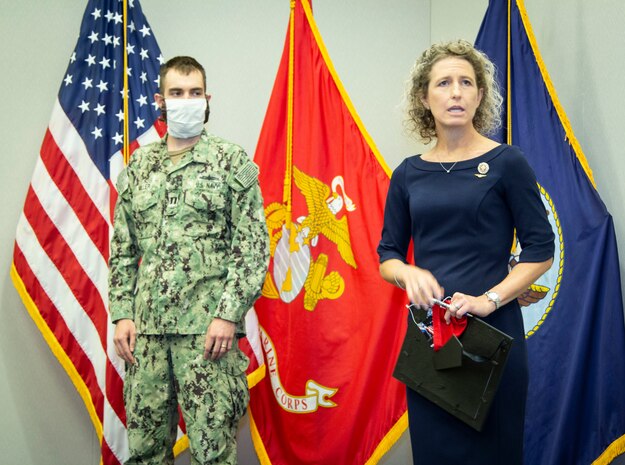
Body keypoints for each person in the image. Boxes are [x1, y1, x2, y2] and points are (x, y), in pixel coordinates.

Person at [377, 40, 554, 464]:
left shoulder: (508, 163)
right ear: (424, 97)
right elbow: (388, 255)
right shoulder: (407, 173)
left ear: (479, 96)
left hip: (492, 335)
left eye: (466, 83)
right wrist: (407, 274)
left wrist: (488, 300)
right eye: (443, 83)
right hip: (430, 339)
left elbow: (540, 250)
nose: (455, 92)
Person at [108, 56, 270, 465]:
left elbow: (251, 248)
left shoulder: (231, 162)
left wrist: (228, 316)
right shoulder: (140, 167)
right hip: (145, 337)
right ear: (160, 101)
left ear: (207, 98)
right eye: (177, 94)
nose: (186, 100)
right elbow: (124, 248)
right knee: (145, 453)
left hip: (208, 336)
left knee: (212, 454)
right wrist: (122, 314)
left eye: (194, 93)